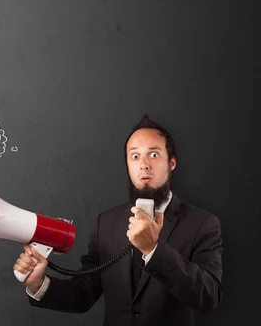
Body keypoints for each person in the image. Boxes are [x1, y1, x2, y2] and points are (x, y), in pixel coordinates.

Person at [13, 115, 223, 325]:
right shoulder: (106, 223)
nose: (144, 165)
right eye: (134, 156)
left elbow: (208, 297)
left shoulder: (203, 224)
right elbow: (84, 294)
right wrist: (38, 284)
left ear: (172, 162)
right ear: (127, 165)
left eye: (153, 154)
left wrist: (154, 250)